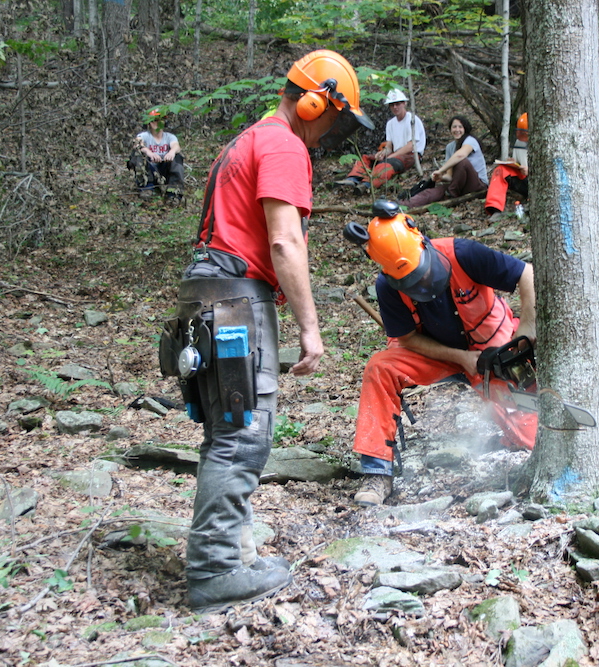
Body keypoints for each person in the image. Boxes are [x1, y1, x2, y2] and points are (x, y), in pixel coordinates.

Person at [166, 49, 373, 613]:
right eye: (337, 115)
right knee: (241, 438)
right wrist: (311, 328)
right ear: (314, 101)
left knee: (224, 433)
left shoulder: (244, 140)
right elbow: (284, 241)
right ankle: (213, 571)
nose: (334, 129)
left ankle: (235, 553)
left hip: (204, 294)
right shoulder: (283, 144)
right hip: (237, 298)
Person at [343, 200, 538, 507]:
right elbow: (406, 338)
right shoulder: (387, 286)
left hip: (490, 342)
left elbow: (526, 274)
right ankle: (376, 471)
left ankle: (533, 434)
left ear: (421, 240)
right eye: (410, 282)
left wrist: (524, 333)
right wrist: (459, 358)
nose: (420, 283)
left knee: (529, 427)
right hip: (436, 352)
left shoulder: (464, 253)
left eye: (421, 274)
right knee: (380, 367)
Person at [335, 89, 426, 195]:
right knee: (366, 158)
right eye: (392, 105)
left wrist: (391, 157)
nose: (395, 107)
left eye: (398, 104)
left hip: (411, 155)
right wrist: (383, 153)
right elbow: (389, 145)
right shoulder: (391, 123)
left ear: (404, 103)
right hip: (395, 154)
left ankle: (367, 184)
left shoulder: (412, 119)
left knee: (386, 164)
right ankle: (353, 179)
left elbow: (411, 146)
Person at [399, 115, 489, 208]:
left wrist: (441, 170)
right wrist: (440, 177)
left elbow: (460, 155)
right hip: (459, 186)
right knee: (430, 192)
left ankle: (450, 194)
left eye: (460, 127)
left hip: (477, 185)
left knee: (462, 162)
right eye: (454, 127)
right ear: (450, 129)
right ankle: (403, 204)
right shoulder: (450, 147)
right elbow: (450, 176)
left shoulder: (470, 140)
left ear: (465, 129)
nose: (457, 129)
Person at [133, 108, 185, 202]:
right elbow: (137, 144)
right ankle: (146, 187)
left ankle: (174, 191)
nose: (157, 123)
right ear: (149, 123)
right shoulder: (144, 135)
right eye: (154, 121)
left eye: (160, 120)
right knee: (138, 154)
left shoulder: (169, 136)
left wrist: (171, 152)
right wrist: (149, 152)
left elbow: (176, 146)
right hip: (149, 169)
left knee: (178, 156)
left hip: (165, 169)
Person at [485, 112, 529, 222]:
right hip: (523, 178)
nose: (522, 135)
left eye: (525, 133)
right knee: (500, 170)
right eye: (520, 132)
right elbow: (520, 162)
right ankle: (494, 208)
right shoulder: (519, 142)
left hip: (536, 182)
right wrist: (513, 163)